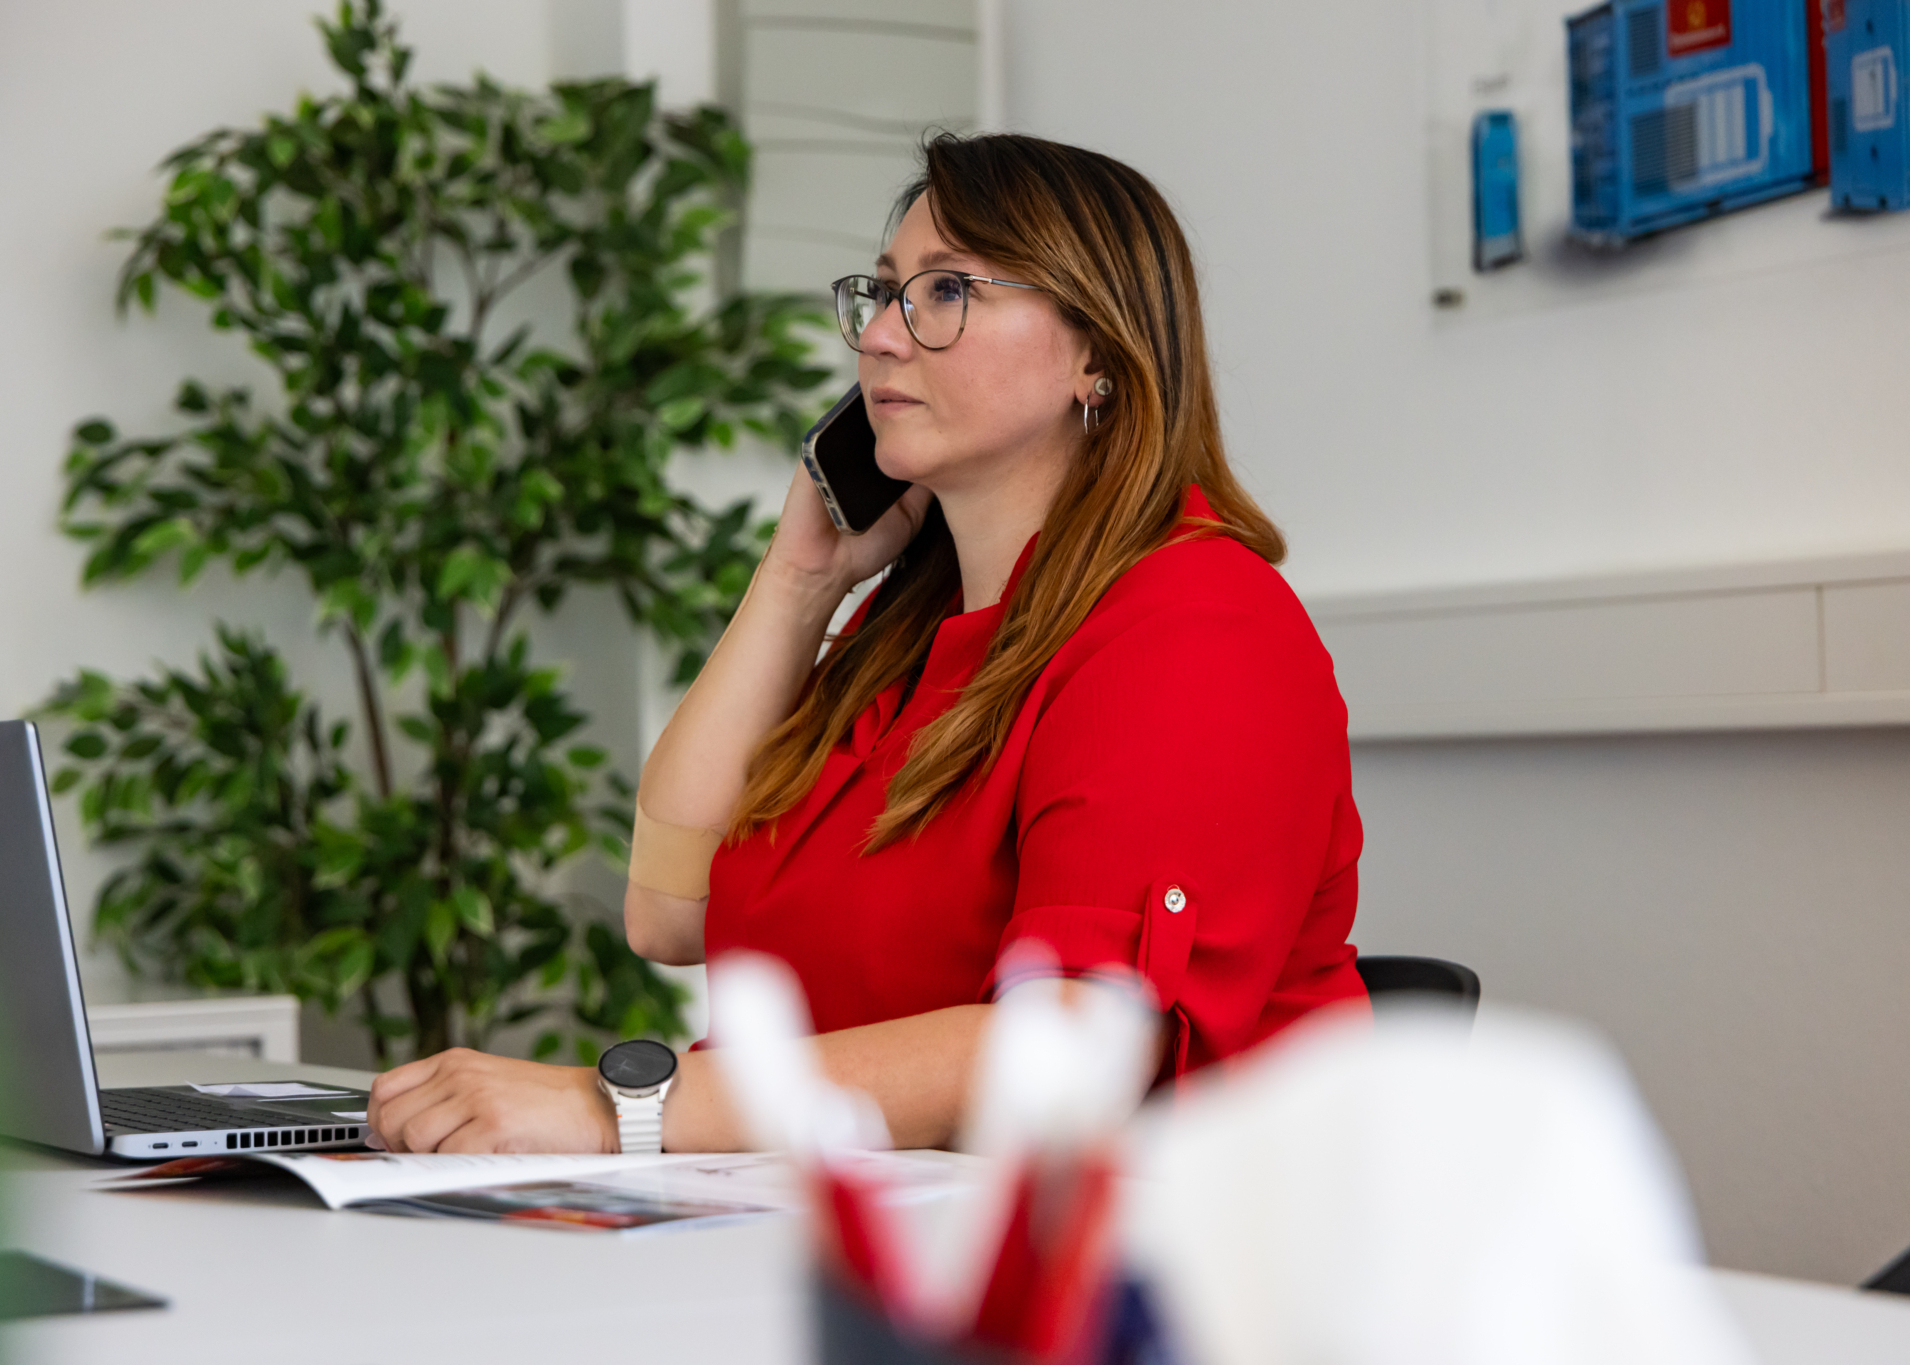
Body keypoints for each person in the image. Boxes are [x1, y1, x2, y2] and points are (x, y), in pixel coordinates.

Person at [365, 132, 1365, 1156]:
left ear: (1096, 355)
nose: (882, 335)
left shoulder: (1196, 625)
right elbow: (665, 911)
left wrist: (617, 1109)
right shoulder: (906, 640)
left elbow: (1073, 1050)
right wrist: (798, 581)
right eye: (883, 293)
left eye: (946, 292)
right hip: (818, 1220)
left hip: (1109, 1245)